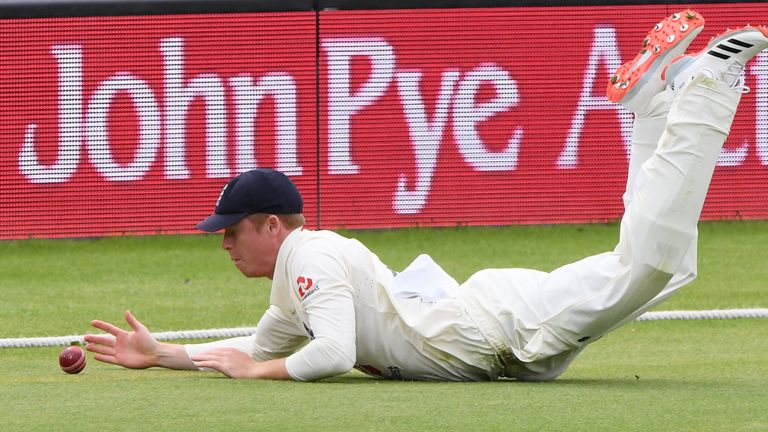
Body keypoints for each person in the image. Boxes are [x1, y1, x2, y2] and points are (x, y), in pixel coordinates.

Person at [85, 11, 768, 381]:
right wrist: (169, 353)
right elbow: (264, 342)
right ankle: (653, 110)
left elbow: (327, 354)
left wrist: (259, 372)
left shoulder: (306, 255)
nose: (225, 243)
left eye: (231, 231)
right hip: (491, 333)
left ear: (271, 225)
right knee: (659, 262)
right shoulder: (294, 280)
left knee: (653, 263)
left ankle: (707, 88)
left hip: (491, 329)